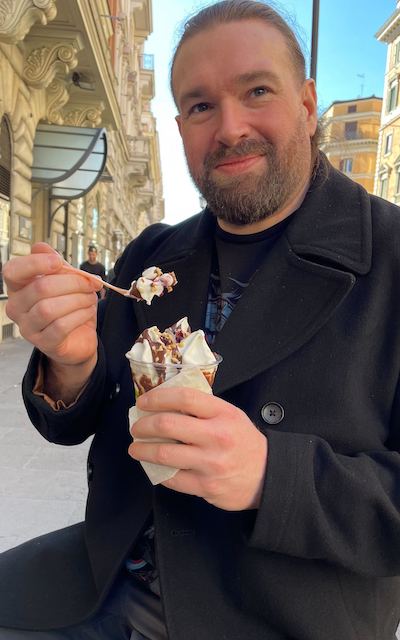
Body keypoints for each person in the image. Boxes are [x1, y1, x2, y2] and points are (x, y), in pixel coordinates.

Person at [1, 1, 400, 638]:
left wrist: (273, 478)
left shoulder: (390, 258)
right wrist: (71, 365)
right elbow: (77, 418)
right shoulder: (152, 256)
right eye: (200, 106)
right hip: (99, 587)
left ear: (306, 103)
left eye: (258, 91)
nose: (230, 127)